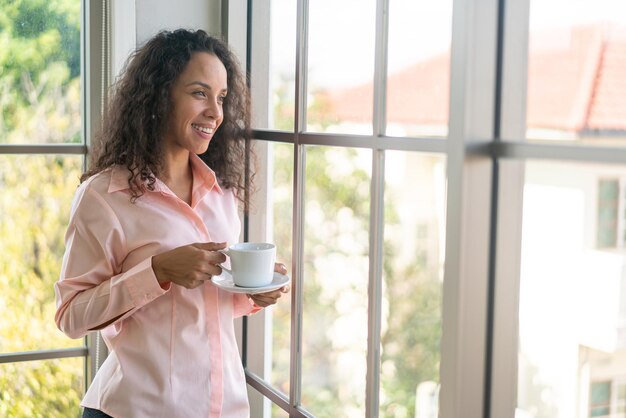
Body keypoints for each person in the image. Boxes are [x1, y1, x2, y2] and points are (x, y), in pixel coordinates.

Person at [54, 29, 289, 418]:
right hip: (136, 408)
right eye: (200, 93)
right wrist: (158, 271)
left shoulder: (221, 193)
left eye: (222, 97)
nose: (216, 112)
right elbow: (71, 316)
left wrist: (255, 291)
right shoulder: (104, 196)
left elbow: (204, 307)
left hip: (224, 407)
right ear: (159, 95)